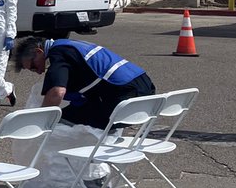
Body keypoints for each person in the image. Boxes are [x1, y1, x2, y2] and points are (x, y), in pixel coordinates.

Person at [12, 36, 156, 129]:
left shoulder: (59, 54)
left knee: (59, 122)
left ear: (38, 52)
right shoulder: (71, 44)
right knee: (76, 112)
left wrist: (39, 121)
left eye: (33, 66)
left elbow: (56, 93)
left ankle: (85, 170)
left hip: (126, 99)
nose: (37, 72)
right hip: (146, 93)